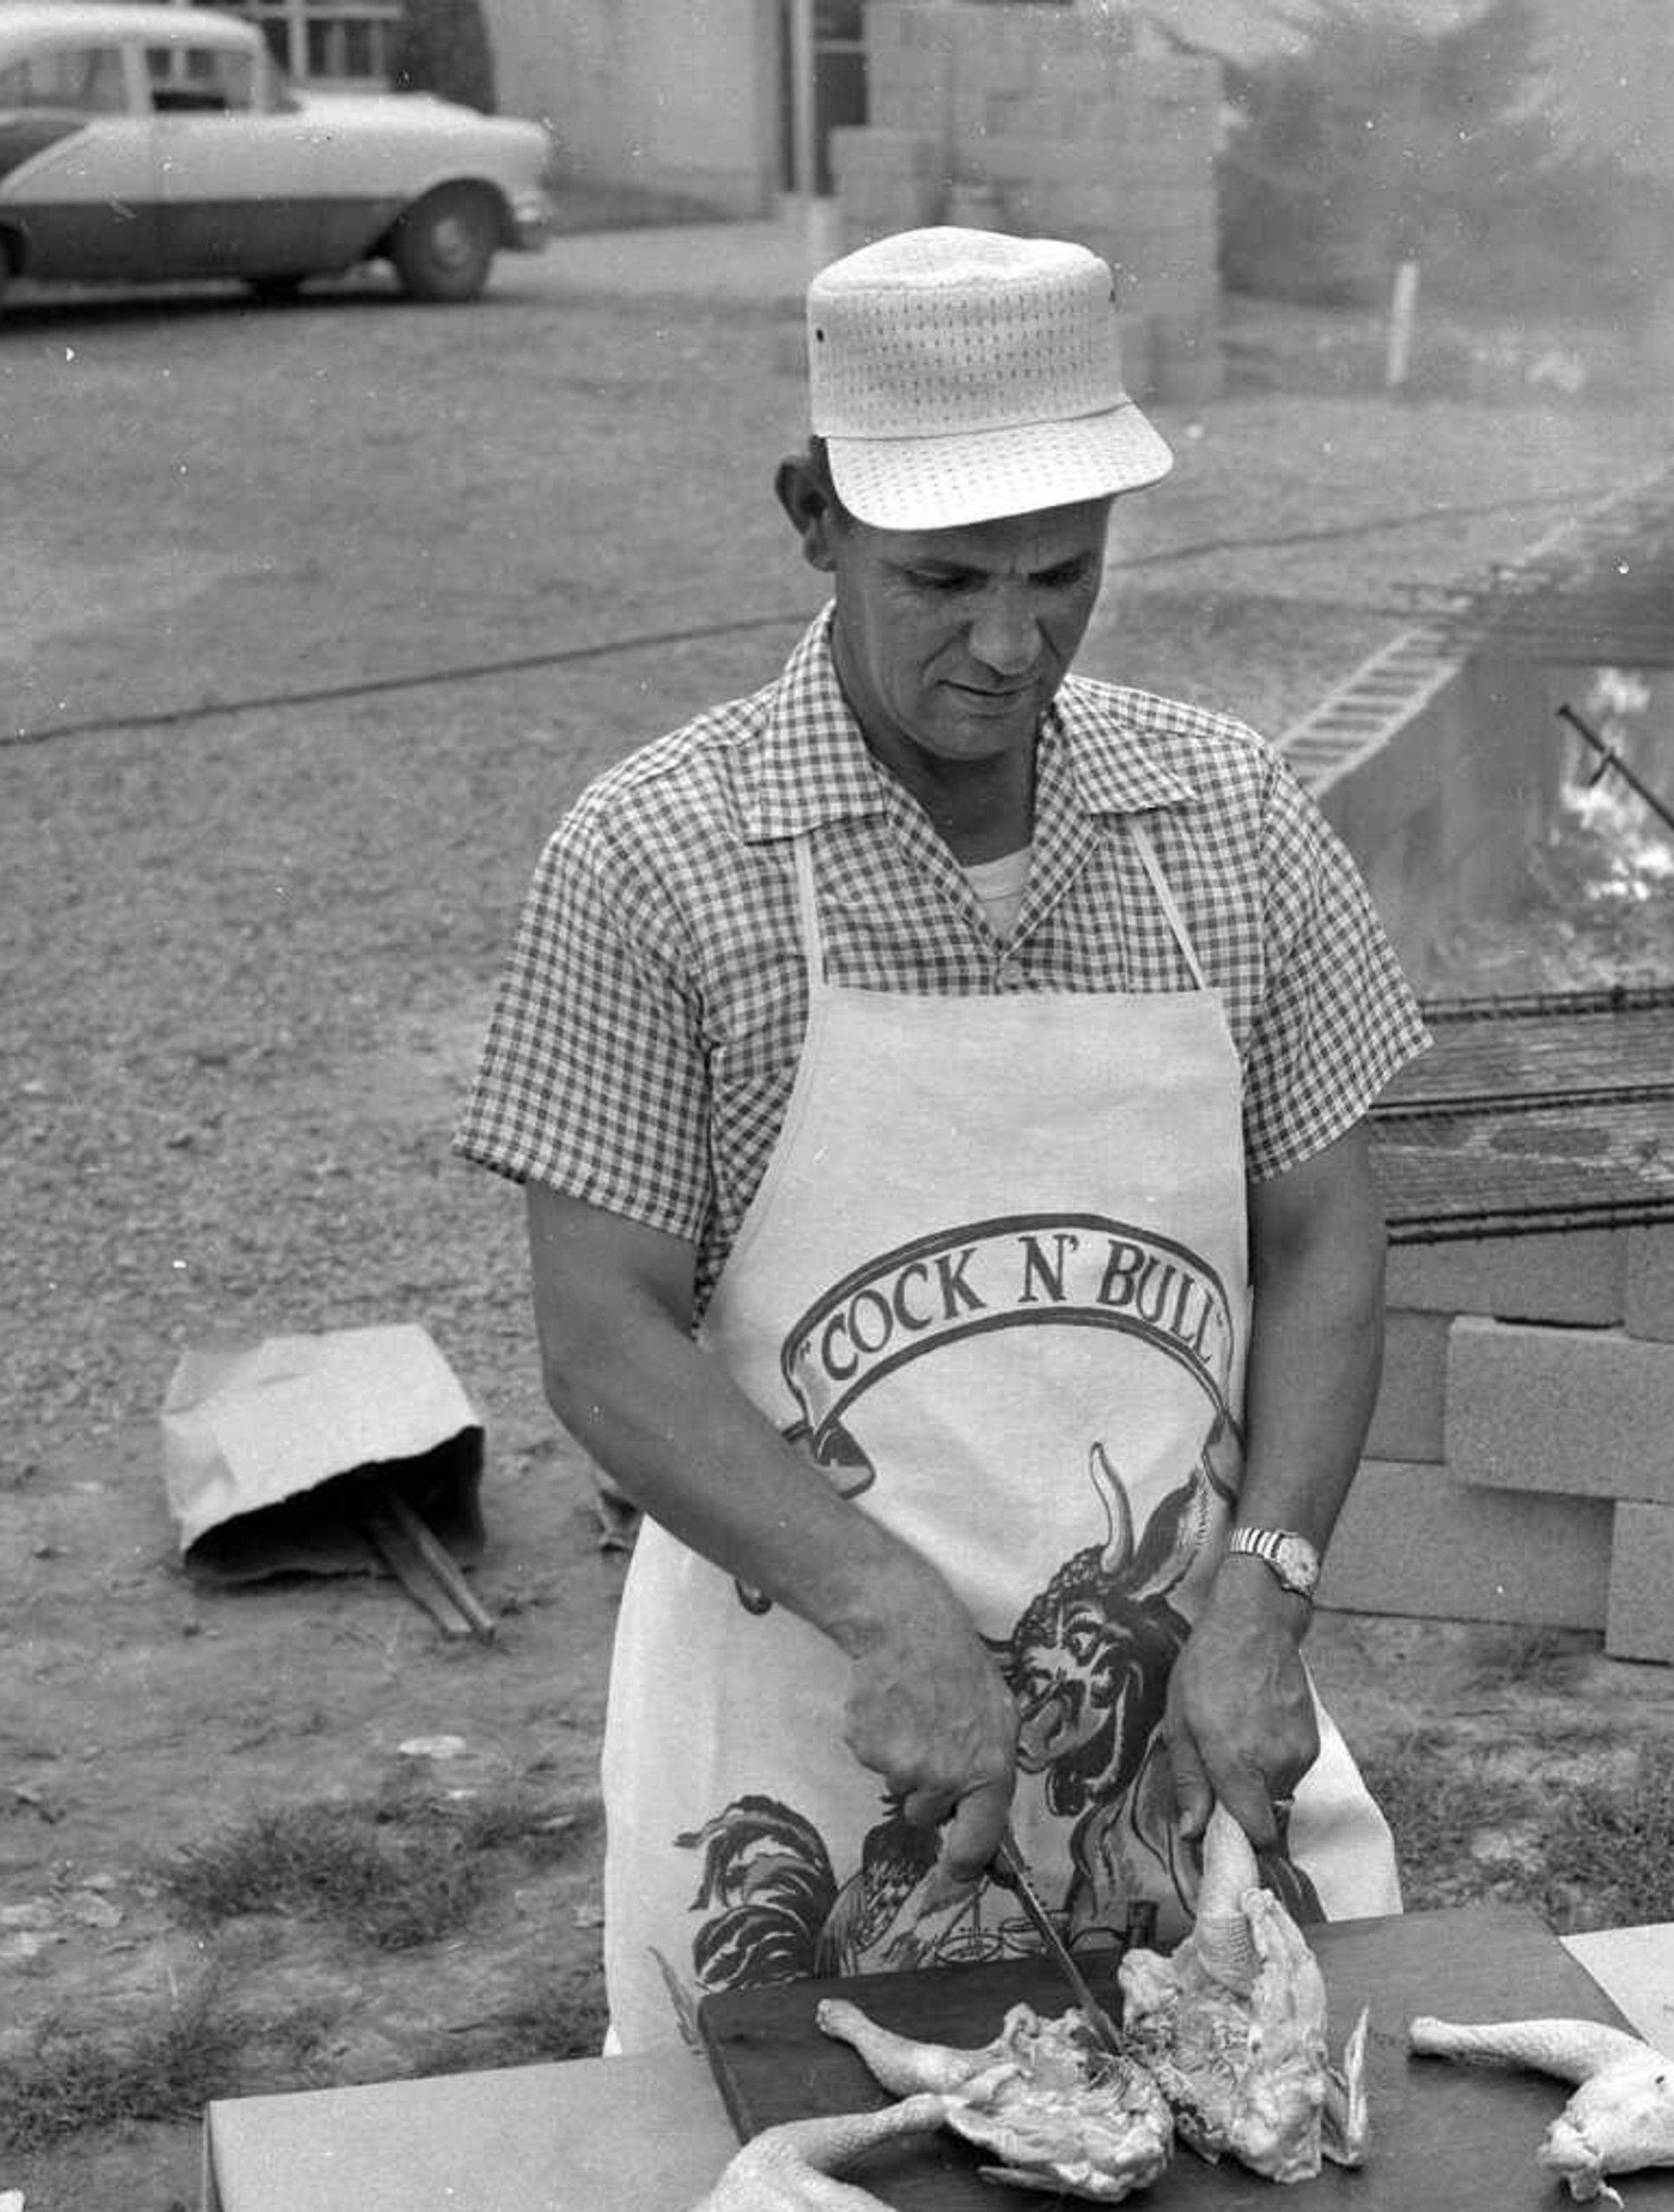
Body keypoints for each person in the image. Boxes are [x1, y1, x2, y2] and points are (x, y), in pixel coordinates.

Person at [456, 226, 1424, 2046]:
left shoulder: (1225, 817)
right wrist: (884, 1609)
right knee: (816, 2197)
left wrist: (1271, 1583)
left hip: (1173, 1684)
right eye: (946, 578)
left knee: (1268, 2179)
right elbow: (602, 1338)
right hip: (814, 1700)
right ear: (812, 516)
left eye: (1063, 576)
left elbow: (1324, 1244)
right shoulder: (657, 857)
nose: (1009, 643)